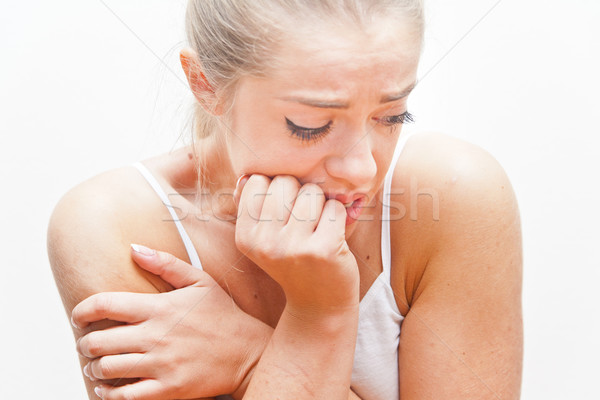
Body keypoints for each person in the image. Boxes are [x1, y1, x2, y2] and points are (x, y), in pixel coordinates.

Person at [47, 1, 523, 399]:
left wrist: (266, 350)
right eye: (310, 126)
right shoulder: (114, 226)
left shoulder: (459, 194)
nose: (362, 169)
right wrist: (316, 321)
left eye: (393, 116)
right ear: (205, 84)